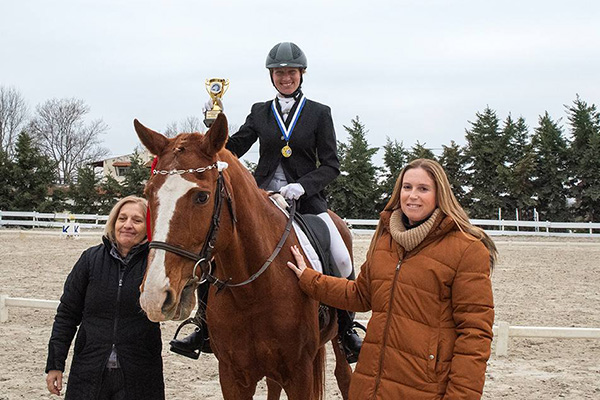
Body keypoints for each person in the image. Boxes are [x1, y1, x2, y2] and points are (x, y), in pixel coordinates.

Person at [169, 41, 363, 363]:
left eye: (291, 72)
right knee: (215, 252)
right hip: (262, 196)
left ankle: (346, 330)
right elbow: (233, 147)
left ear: (301, 74)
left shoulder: (319, 113)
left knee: (341, 258)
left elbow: (331, 165)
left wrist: (303, 186)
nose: (285, 78)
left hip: (306, 199)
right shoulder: (260, 112)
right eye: (279, 73)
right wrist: (210, 132)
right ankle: (202, 328)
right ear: (271, 76)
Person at [287, 158, 497, 399]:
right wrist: (309, 278)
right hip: (370, 386)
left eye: (423, 189)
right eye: (407, 187)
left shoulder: (468, 250)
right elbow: (360, 295)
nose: (412, 196)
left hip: (424, 389)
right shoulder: (385, 240)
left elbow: (474, 334)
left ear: (440, 194)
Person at [45, 196, 165, 399]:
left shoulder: (156, 264)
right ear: (113, 222)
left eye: (137, 220)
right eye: (122, 218)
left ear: (149, 226)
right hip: (89, 369)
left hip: (140, 373)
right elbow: (67, 314)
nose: (127, 225)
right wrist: (55, 364)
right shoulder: (90, 259)